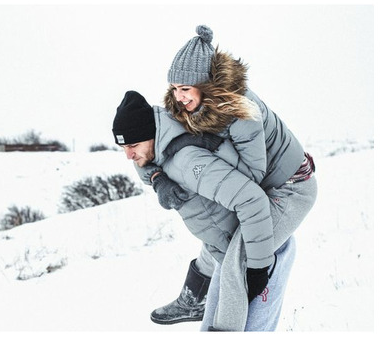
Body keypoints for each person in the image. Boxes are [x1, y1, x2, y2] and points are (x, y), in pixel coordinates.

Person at [134, 25, 318, 328]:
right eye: (175, 88)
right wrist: (157, 176)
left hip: (289, 187)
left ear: (206, 85)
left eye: (186, 89)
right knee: (217, 231)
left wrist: (208, 158)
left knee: (238, 260)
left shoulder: (241, 109)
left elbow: (252, 176)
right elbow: (148, 139)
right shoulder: (185, 105)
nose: (179, 97)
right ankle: (193, 300)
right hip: (264, 185)